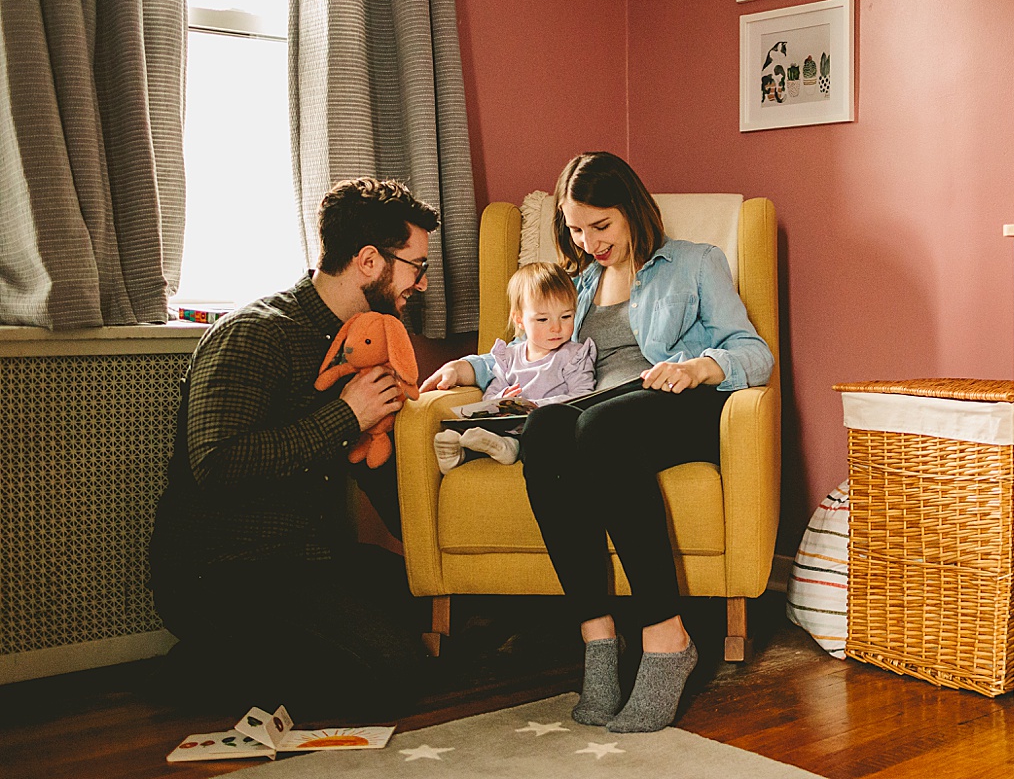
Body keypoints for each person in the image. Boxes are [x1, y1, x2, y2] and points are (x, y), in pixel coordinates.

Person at [421, 152, 773, 733]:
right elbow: (528, 349)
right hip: (598, 413)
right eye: (576, 229)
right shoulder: (578, 283)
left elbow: (754, 352)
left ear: (632, 210)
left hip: (679, 401)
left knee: (599, 427)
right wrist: (468, 369)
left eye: (600, 226)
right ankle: (599, 639)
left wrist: (702, 368)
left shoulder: (695, 263)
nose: (588, 242)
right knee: (545, 428)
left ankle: (667, 639)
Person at [148, 177, 440, 719]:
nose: (421, 285)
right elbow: (216, 465)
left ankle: (270, 652)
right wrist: (345, 415)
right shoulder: (257, 334)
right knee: (388, 675)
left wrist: (437, 534)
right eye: (417, 266)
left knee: (448, 606)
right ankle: (197, 667)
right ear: (370, 260)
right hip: (225, 570)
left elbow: (369, 465)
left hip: (307, 561)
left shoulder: (362, 341)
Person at [429, 262, 596, 472]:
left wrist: (538, 405)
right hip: (508, 424)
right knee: (479, 427)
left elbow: (583, 396)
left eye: (566, 316)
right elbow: (489, 395)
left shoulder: (574, 355)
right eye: (543, 319)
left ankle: (505, 448)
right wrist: (501, 397)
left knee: (533, 433)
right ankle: (458, 452)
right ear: (520, 320)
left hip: (546, 429)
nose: (556, 327)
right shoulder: (509, 357)